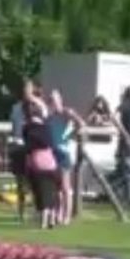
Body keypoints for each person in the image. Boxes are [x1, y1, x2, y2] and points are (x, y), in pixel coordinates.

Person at [21, 95, 60, 229]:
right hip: (50, 161)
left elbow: (27, 147)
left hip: (36, 161)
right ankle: (52, 218)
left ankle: (43, 220)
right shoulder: (46, 127)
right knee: (52, 191)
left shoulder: (27, 129)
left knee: (40, 191)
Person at [47, 89, 84, 226]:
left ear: (60, 101)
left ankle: (67, 216)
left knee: (65, 186)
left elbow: (80, 123)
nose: (53, 103)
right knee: (56, 187)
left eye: (55, 100)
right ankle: (59, 212)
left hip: (64, 152)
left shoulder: (65, 114)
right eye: (51, 100)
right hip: (53, 152)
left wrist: (72, 132)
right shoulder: (50, 117)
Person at [8, 80, 36, 222]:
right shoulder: (16, 108)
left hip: (32, 148)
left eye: (29, 90)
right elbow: (14, 128)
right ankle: (21, 212)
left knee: (34, 181)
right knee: (20, 183)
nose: (27, 93)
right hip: (19, 147)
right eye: (25, 90)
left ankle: (36, 211)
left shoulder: (36, 107)